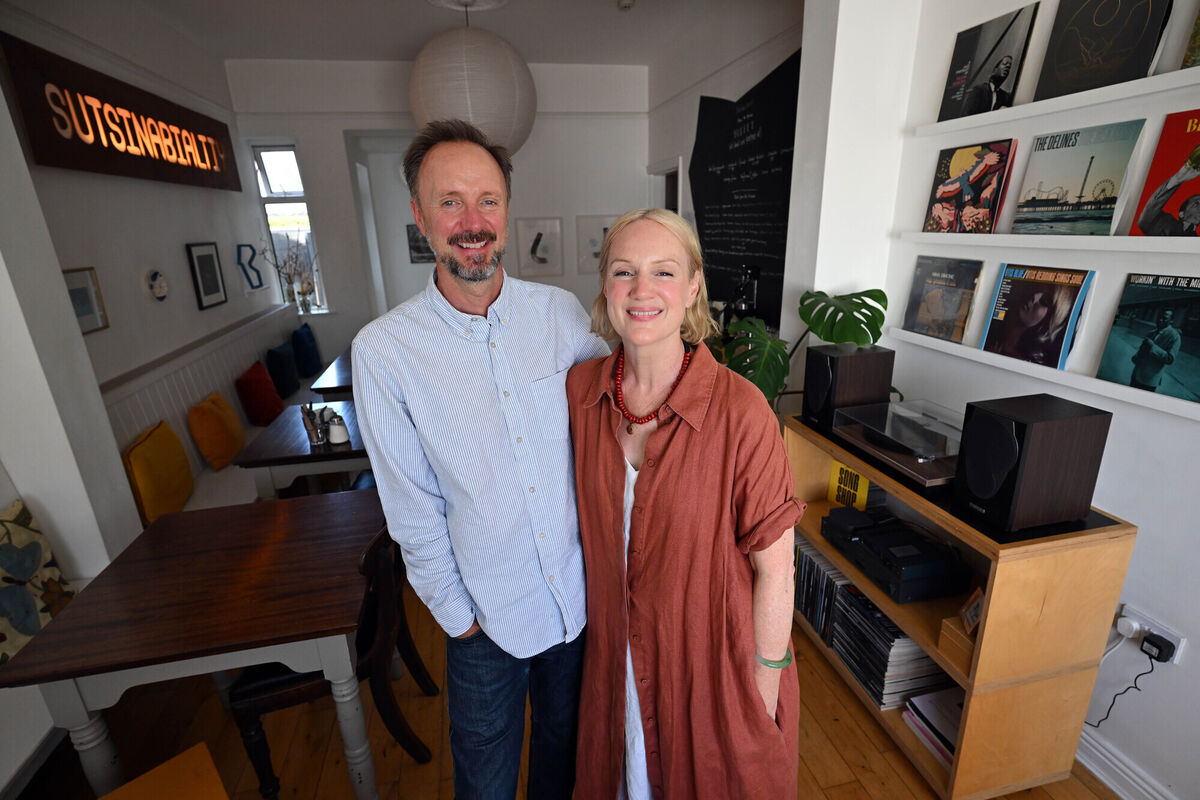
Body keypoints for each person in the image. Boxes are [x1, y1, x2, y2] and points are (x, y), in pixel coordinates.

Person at [352, 119, 609, 799]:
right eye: (450, 202)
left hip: (575, 606)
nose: (473, 222)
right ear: (419, 215)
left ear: (506, 207)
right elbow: (411, 508)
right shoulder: (384, 351)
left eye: (487, 200)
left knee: (565, 760)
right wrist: (461, 622)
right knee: (486, 784)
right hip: (483, 624)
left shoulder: (559, 316)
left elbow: (624, 404)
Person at [565, 208, 804, 798]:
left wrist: (764, 684)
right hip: (612, 666)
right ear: (605, 285)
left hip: (710, 674)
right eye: (624, 271)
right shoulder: (579, 393)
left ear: (694, 285)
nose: (642, 291)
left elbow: (776, 569)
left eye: (663, 272)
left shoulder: (741, 412)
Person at [1137, 159, 1200, 235]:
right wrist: (1177, 180)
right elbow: (1146, 218)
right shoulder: (1166, 223)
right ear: (1181, 214)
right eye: (1196, 203)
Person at [1130, 308, 1182, 391]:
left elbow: (1170, 359)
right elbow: (1143, 349)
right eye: (1159, 317)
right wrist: (1137, 356)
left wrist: (1152, 346)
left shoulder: (1175, 337)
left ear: (1171, 320)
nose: (1160, 320)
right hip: (1136, 374)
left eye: (1164, 318)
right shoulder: (1152, 332)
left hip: (1149, 381)